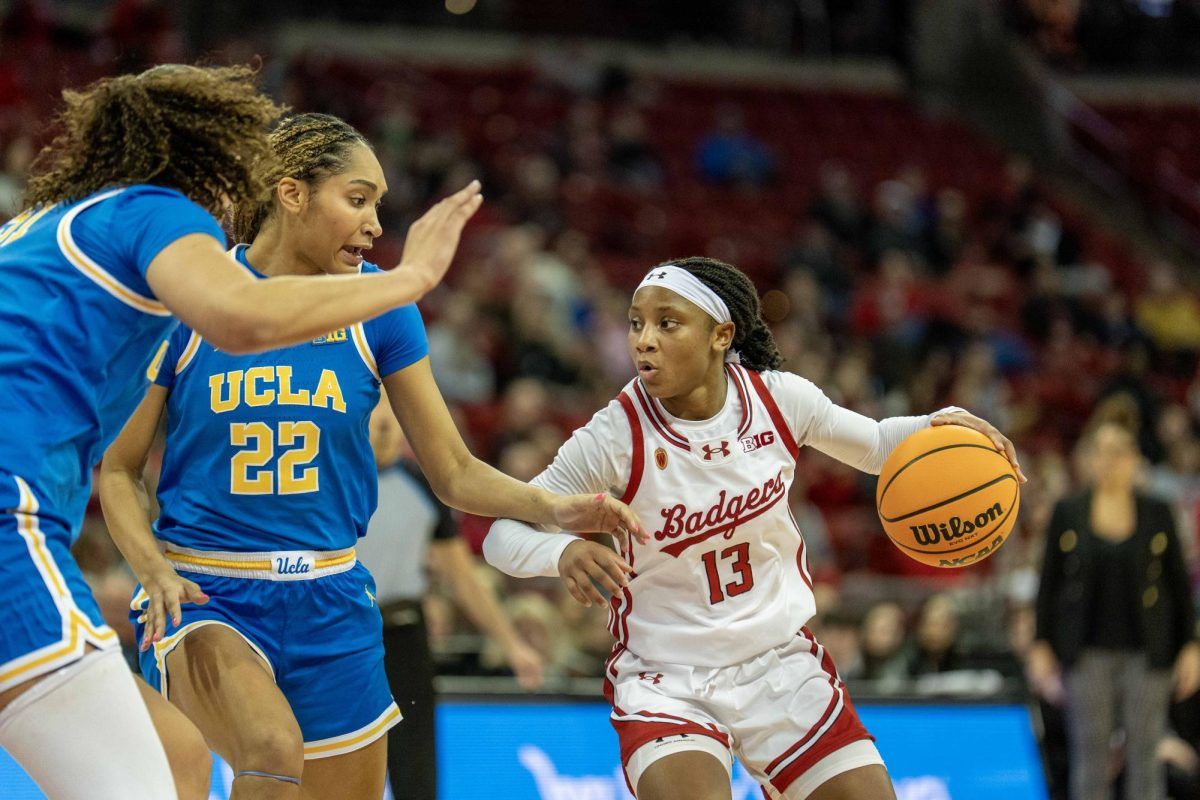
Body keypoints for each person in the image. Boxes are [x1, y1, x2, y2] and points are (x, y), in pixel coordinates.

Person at [98, 112, 641, 800]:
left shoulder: (380, 309)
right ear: (291, 194)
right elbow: (118, 468)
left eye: (379, 205)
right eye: (357, 200)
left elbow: (453, 471)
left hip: (333, 600)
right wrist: (151, 571)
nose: (376, 225)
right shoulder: (191, 298)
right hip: (210, 593)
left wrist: (552, 506)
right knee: (270, 751)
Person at [0, 64, 481, 800]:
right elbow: (243, 318)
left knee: (181, 763)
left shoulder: (44, 226)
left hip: (324, 595)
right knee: (162, 776)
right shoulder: (157, 215)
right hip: (24, 522)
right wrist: (412, 279)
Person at [483, 256, 1025, 800]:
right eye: (635, 323)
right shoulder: (613, 436)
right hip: (669, 677)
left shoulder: (777, 397)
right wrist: (564, 554)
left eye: (667, 323)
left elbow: (880, 445)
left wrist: (940, 427)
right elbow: (500, 535)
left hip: (779, 664)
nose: (644, 339)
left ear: (722, 335)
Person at [356, 399, 545, 800]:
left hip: (404, 635)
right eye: (376, 411)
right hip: (342, 634)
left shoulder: (420, 486)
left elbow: (462, 576)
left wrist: (511, 643)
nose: (385, 424)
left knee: (417, 768)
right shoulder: (332, 482)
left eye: (393, 413)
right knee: (344, 766)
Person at [1028, 421, 1200, 800]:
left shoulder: (1158, 512)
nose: (1109, 460)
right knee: (1090, 758)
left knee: (1145, 756)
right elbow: (1050, 584)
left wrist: (1191, 645)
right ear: (1088, 459)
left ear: (1133, 458)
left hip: (1149, 649)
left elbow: (1178, 585)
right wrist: (1040, 643)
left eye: (1118, 450)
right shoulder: (1068, 511)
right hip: (1087, 651)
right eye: (1100, 450)